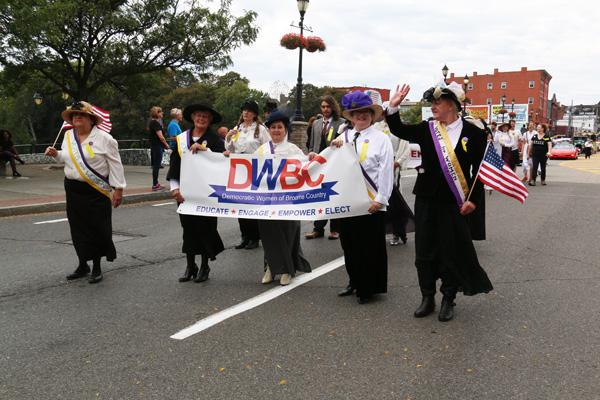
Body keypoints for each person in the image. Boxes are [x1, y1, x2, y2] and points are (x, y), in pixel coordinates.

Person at [387, 82, 493, 322]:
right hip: (426, 198)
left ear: (451, 105)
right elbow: (399, 129)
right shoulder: (428, 129)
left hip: (455, 202)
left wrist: (474, 200)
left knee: (450, 250)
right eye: (432, 103)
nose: (433, 107)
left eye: (437, 103)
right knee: (424, 251)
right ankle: (427, 297)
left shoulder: (473, 132)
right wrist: (393, 107)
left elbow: (480, 170)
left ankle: (448, 298)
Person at [44, 101, 126, 284]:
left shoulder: (105, 139)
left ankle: (96, 267)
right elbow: (66, 158)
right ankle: (83, 264)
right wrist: (56, 154)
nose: (77, 117)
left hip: (95, 191)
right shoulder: (68, 136)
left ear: (91, 119)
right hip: (73, 189)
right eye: (74, 115)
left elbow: (116, 165)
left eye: (81, 114)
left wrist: (118, 189)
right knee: (78, 228)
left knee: (96, 228)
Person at [330, 91, 394, 304]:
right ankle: (354, 281)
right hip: (348, 202)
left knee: (369, 247)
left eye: (366, 112)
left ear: (372, 115)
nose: (362, 115)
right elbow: (331, 164)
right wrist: (322, 154)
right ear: (351, 116)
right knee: (349, 245)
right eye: (357, 112)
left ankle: (368, 287)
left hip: (371, 202)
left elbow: (386, 171)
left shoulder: (381, 139)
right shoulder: (343, 138)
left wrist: (381, 198)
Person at [167, 102, 228, 283]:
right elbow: (174, 166)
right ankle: (190, 266)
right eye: (198, 115)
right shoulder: (182, 139)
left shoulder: (215, 140)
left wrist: (206, 151)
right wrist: (175, 189)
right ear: (193, 117)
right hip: (185, 194)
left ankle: (204, 266)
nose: (201, 119)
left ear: (209, 120)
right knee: (188, 229)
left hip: (207, 194)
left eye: (205, 116)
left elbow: (223, 162)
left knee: (206, 229)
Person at [256, 111, 312, 286]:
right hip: (267, 199)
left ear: (285, 129)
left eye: (279, 127)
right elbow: (248, 168)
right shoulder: (262, 150)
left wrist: (312, 157)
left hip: (287, 199)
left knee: (287, 232)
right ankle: (270, 268)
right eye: (273, 127)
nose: (276, 130)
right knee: (269, 233)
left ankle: (286, 269)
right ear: (269, 130)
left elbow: (305, 166)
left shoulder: (293, 149)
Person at [225, 99, 271, 250]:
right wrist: (228, 137)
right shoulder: (237, 128)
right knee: (241, 203)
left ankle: (254, 237)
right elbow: (230, 149)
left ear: (255, 114)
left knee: (252, 203)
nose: (246, 112)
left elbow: (268, 148)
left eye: (249, 111)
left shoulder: (261, 129)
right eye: (244, 110)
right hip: (240, 169)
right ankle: (245, 236)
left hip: (255, 169)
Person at [306, 95, 346, 240]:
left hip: (334, 164)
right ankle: (318, 229)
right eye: (323, 107)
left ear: (333, 107)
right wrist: (311, 153)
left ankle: (335, 229)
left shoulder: (341, 123)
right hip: (319, 164)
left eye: (328, 107)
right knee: (320, 196)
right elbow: (312, 143)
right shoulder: (316, 123)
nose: (325, 109)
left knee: (333, 195)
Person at [148, 106, 170, 191]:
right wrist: (166, 144)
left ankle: (155, 183)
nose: (162, 113)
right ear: (157, 113)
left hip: (156, 145)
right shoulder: (155, 123)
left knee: (157, 165)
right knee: (157, 165)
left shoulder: (154, 123)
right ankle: (155, 184)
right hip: (157, 146)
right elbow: (160, 136)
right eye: (160, 111)